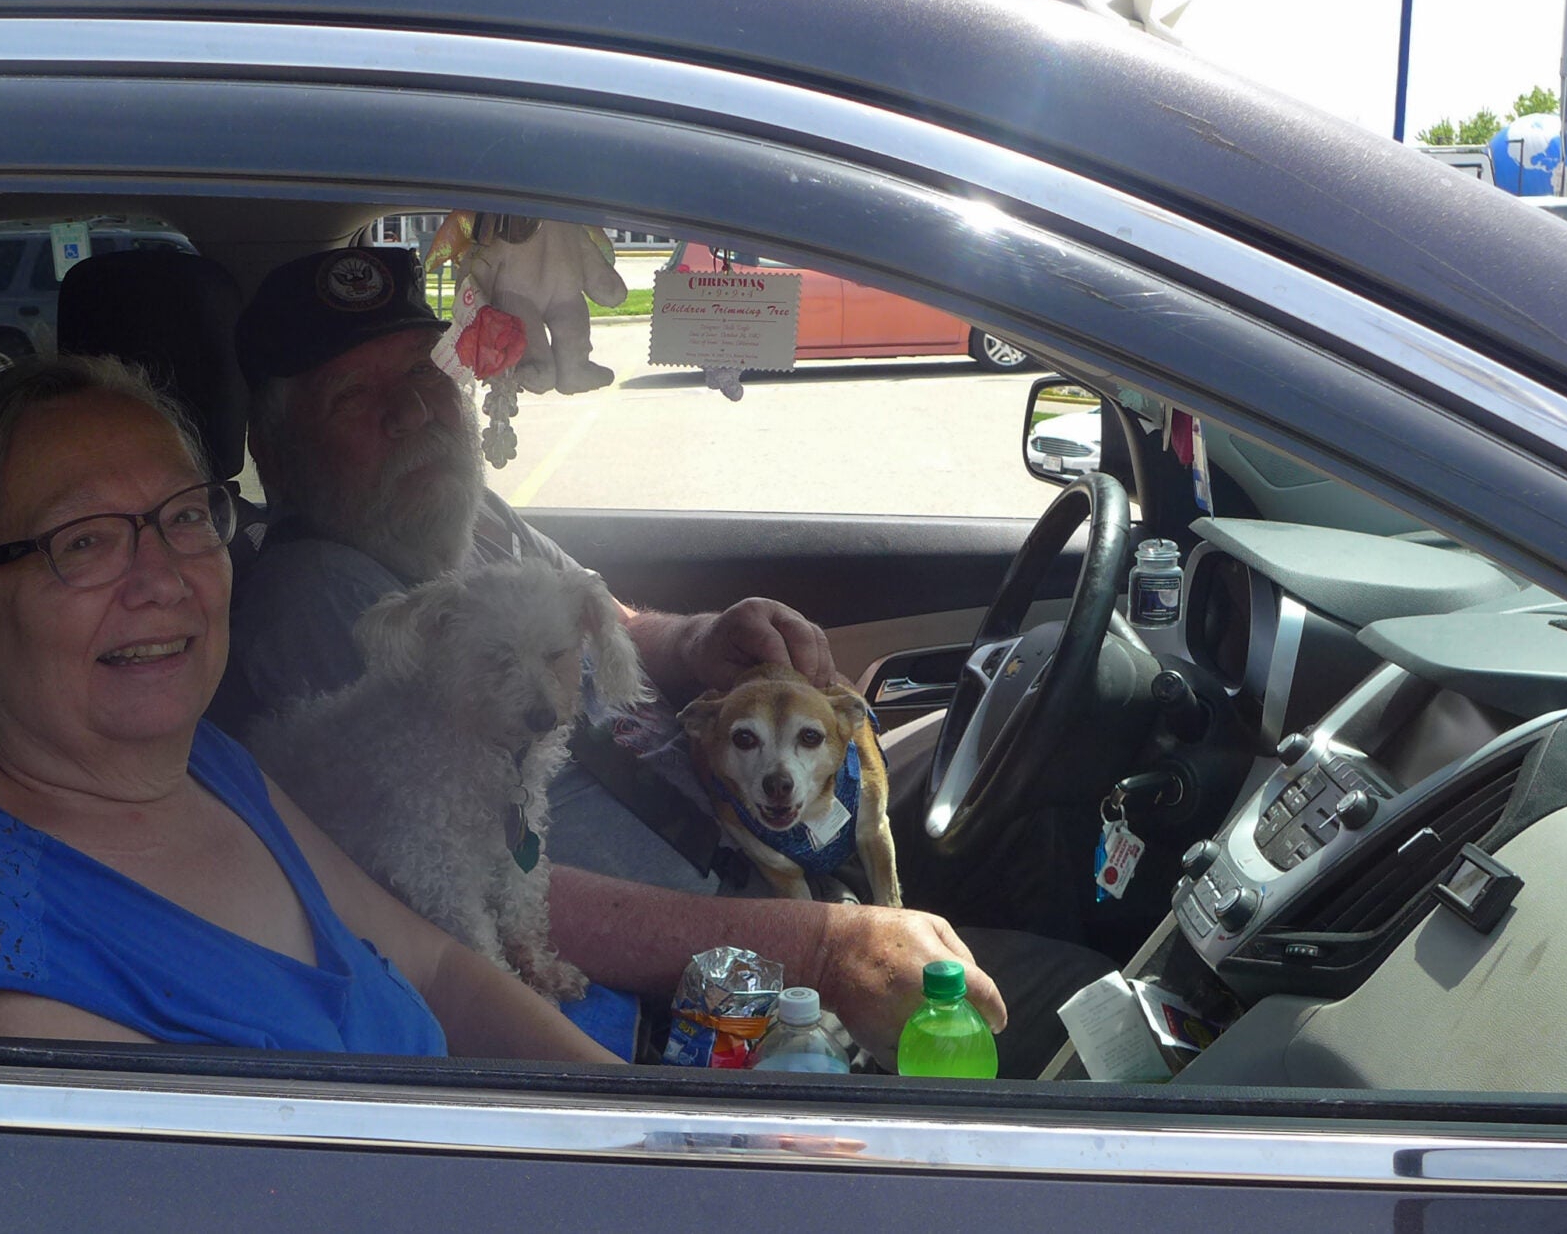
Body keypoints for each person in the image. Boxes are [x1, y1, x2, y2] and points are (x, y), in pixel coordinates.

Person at [213, 246, 1035, 1067]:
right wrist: (817, 946)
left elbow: (604, 619)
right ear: (277, 453)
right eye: (355, 397)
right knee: (1048, 1010)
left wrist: (697, 640)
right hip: (690, 992)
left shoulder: (466, 511)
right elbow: (451, 881)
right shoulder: (320, 599)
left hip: (753, 845)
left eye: (422, 375)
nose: (412, 413)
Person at [0, 352, 615, 1063]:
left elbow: (436, 968)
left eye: (186, 516)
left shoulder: (210, 765)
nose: (163, 579)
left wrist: (629, 1115)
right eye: (84, 541)